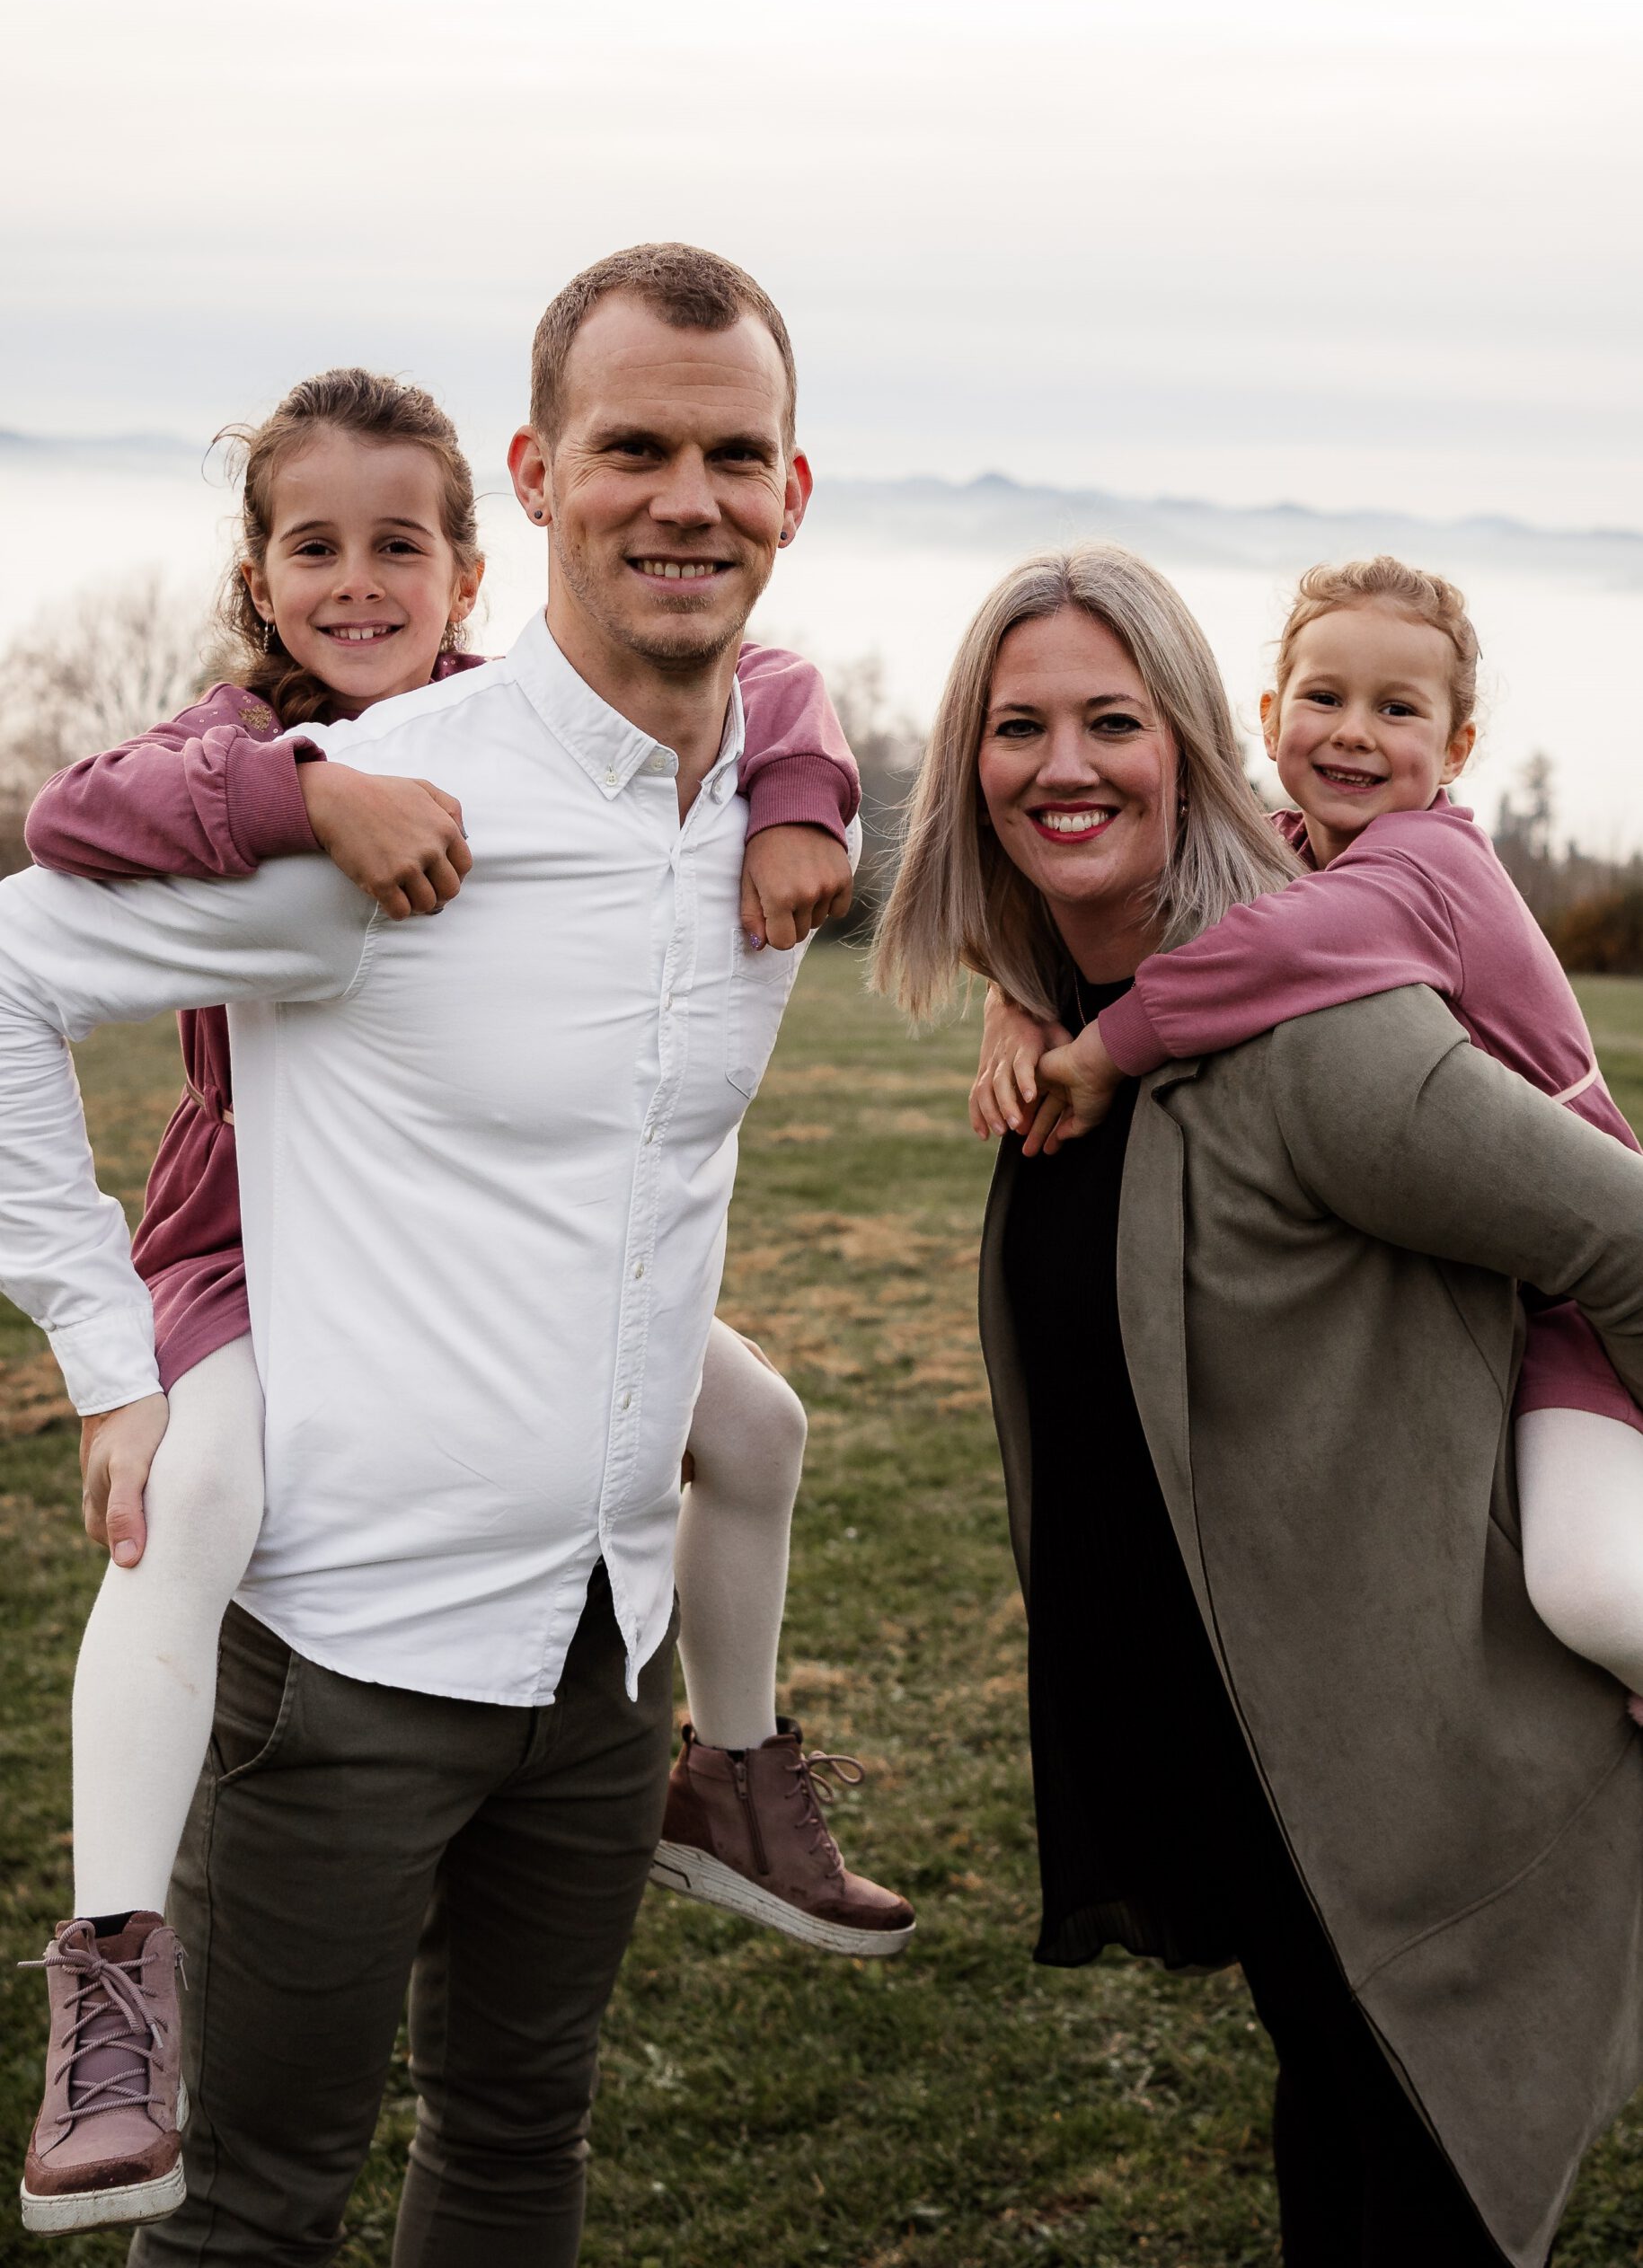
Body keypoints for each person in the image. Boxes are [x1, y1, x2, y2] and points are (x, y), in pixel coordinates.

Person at [0, 241, 891, 2268]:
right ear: (545, 473)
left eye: (731, 452)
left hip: (603, 1668)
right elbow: (7, 966)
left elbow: (866, 732)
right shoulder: (381, 828)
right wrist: (108, 1348)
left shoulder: (768, 792)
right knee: (246, 2213)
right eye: (635, 446)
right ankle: (105, 1956)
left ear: (792, 489)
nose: (689, 495)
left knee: (510, 2149)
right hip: (348, 1674)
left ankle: (734, 1784)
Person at [872, 542, 1643, 2266]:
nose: (1061, 766)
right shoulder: (1084, 1011)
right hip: (1266, 1757)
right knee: (1336, 2145)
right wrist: (1022, 996)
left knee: (1415, 2191)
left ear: (1196, 741)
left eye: (1111, 722)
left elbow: (1630, 1241)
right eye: (1015, 728)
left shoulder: (1320, 1032)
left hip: (1427, 1795)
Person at [969, 553, 1643, 1710]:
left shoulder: (1422, 866)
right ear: (1270, 714)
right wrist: (1017, 993)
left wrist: (1100, 1048)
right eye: (1324, 699)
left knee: (1588, 1590)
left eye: (1399, 710)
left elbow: (1255, 953)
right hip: (1495, 1296)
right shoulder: (1293, 845)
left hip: (1580, 1296)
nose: (1353, 735)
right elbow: (1111, 893)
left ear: (1460, 748)